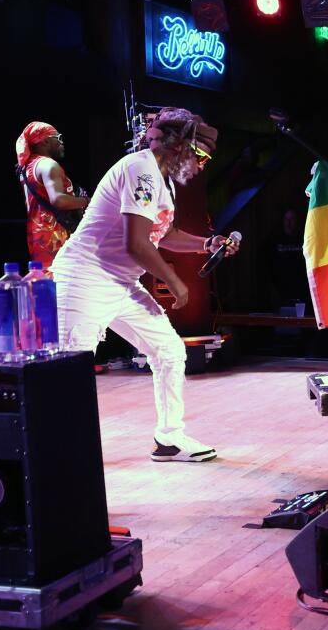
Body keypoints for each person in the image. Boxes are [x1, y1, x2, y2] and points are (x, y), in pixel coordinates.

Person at [51, 107, 237, 462]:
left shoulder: (162, 180)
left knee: (169, 351)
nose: (201, 164)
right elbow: (136, 244)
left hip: (121, 283)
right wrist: (175, 282)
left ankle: (169, 438)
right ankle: (61, 453)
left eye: (206, 159)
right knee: (71, 369)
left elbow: (165, 234)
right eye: (199, 154)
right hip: (84, 278)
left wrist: (206, 244)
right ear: (177, 144)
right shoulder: (141, 169)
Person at [15, 121, 90, 271]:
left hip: (37, 234)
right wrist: (86, 201)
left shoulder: (28, 167)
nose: (62, 142)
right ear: (45, 141)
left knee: (48, 279)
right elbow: (58, 200)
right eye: (58, 137)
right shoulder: (48, 165)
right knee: (62, 280)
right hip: (54, 234)